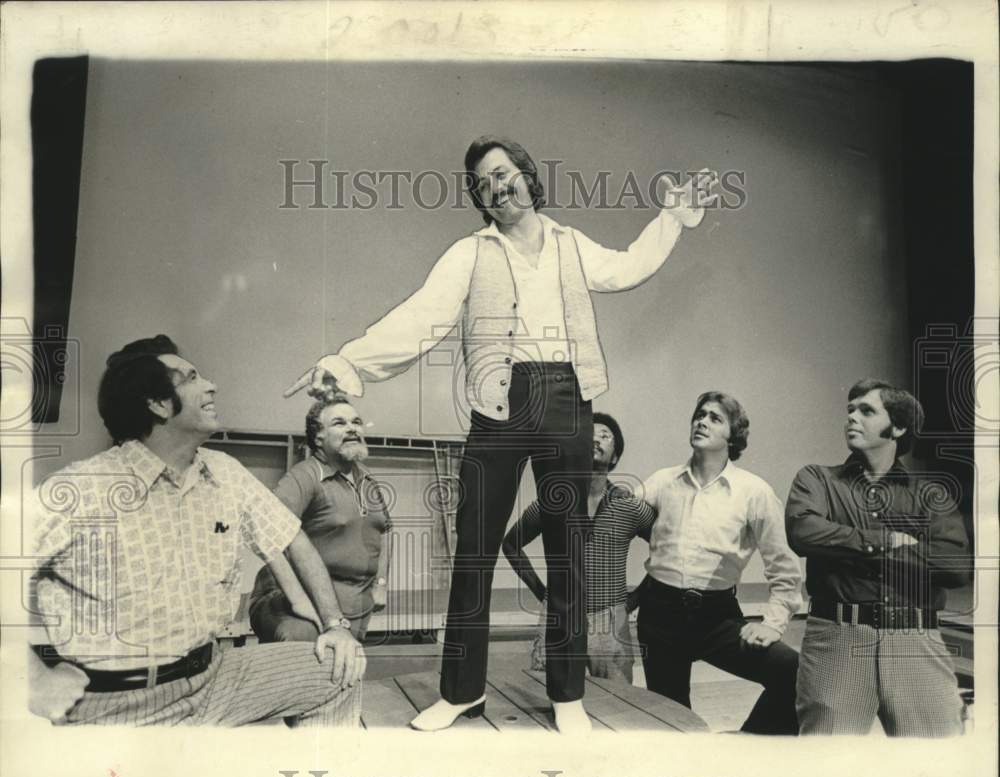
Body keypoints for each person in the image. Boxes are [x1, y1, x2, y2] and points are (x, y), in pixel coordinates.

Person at [285, 136, 715, 734]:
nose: (497, 186)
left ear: (528, 178)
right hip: (499, 399)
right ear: (480, 198)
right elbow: (422, 315)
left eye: (505, 174)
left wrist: (673, 218)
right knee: (475, 550)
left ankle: (567, 696)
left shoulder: (569, 243)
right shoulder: (470, 252)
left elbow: (625, 269)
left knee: (567, 550)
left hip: (567, 396)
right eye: (484, 183)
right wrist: (349, 363)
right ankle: (461, 691)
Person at [28, 335, 364, 727]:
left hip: (213, 677)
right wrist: (32, 680)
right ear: (157, 404)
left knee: (338, 671)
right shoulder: (82, 487)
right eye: (191, 378)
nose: (211, 385)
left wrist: (335, 626)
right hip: (118, 702)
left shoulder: (224, 472)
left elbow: (291, 538)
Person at [785, 378, 972, 736]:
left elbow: (955, 567)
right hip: (837, 640)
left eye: (866, 411)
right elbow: (804, 534)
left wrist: (846, 544)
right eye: (850, 410)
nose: (852, 417)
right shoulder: (818, 480)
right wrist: (887, 542)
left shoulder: (931, 494)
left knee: (936, 764)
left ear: (898, 427)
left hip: (914, 641)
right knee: (828, 765)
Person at [634, 391, 802, 734]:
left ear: (733, 435)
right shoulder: (661, 482)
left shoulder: (754, 492)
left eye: (715, 418)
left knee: (796, 673)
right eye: (699, 414)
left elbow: (784, 568)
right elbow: (615, 523)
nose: (702, 421)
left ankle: (748, 743)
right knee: (673, 723)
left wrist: (773, 623)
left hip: (716, 617)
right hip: (659, 617)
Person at [502, 412, 653, 684]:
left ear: (615, 456)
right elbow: (511, 544)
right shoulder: (554, 502)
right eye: (589, 434)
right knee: (546, 699)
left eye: (605, 436)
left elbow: (669, 552)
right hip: (558, 617)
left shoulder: (630, 507)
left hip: (610, 620)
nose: (596, 439)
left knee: (615, 706)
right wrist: (542, 592)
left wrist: (635, 599)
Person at [249, 396, 391, 644]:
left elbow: (385, 530)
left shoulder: (367, 478)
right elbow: (265, 527)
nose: (352, 428)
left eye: (356, 422)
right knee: (306, 662)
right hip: (300, 605)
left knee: (340, 675)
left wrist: (381, 583)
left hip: (355, 603)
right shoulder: (305, 476)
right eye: (339, 423)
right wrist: (298, 599)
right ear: (318, 438)